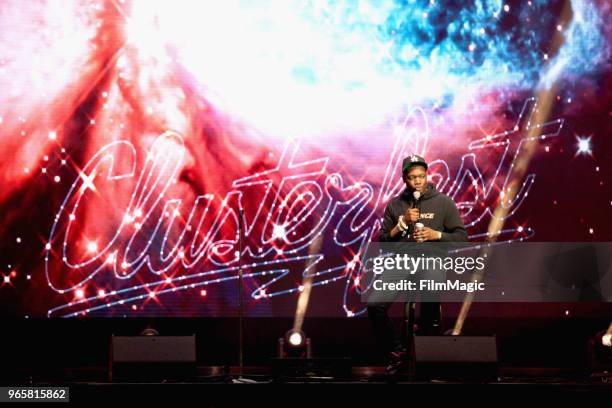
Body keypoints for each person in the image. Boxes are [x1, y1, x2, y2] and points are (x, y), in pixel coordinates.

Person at [367, 154, 468, 375]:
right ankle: (398, 352)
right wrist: (401, 224)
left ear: (427, 175)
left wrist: (436, 235)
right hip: (401, 263)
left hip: (431, 260)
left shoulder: (443, 202)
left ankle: (423, 351)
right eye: (413, 177)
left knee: (431, 294)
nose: (418, 181)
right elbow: (383, 244)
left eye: (422, 176)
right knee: (374, 305)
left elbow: (462, 237)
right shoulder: (395, 205)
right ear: (404, 178)